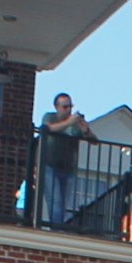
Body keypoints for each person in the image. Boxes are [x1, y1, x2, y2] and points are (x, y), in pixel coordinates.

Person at [37, 93, 96, 228]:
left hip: (68, 168)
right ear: (57, 107)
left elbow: (94, 141)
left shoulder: (75, 124)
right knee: (55, 201)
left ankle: (59, 227)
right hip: (50, 166)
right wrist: (69, 122)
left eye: (70, 106)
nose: (68, 109)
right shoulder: (50, 117)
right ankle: (57, 230)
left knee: (64, 204)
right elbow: (48, 129)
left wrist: (85, 129)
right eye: (65, 106)